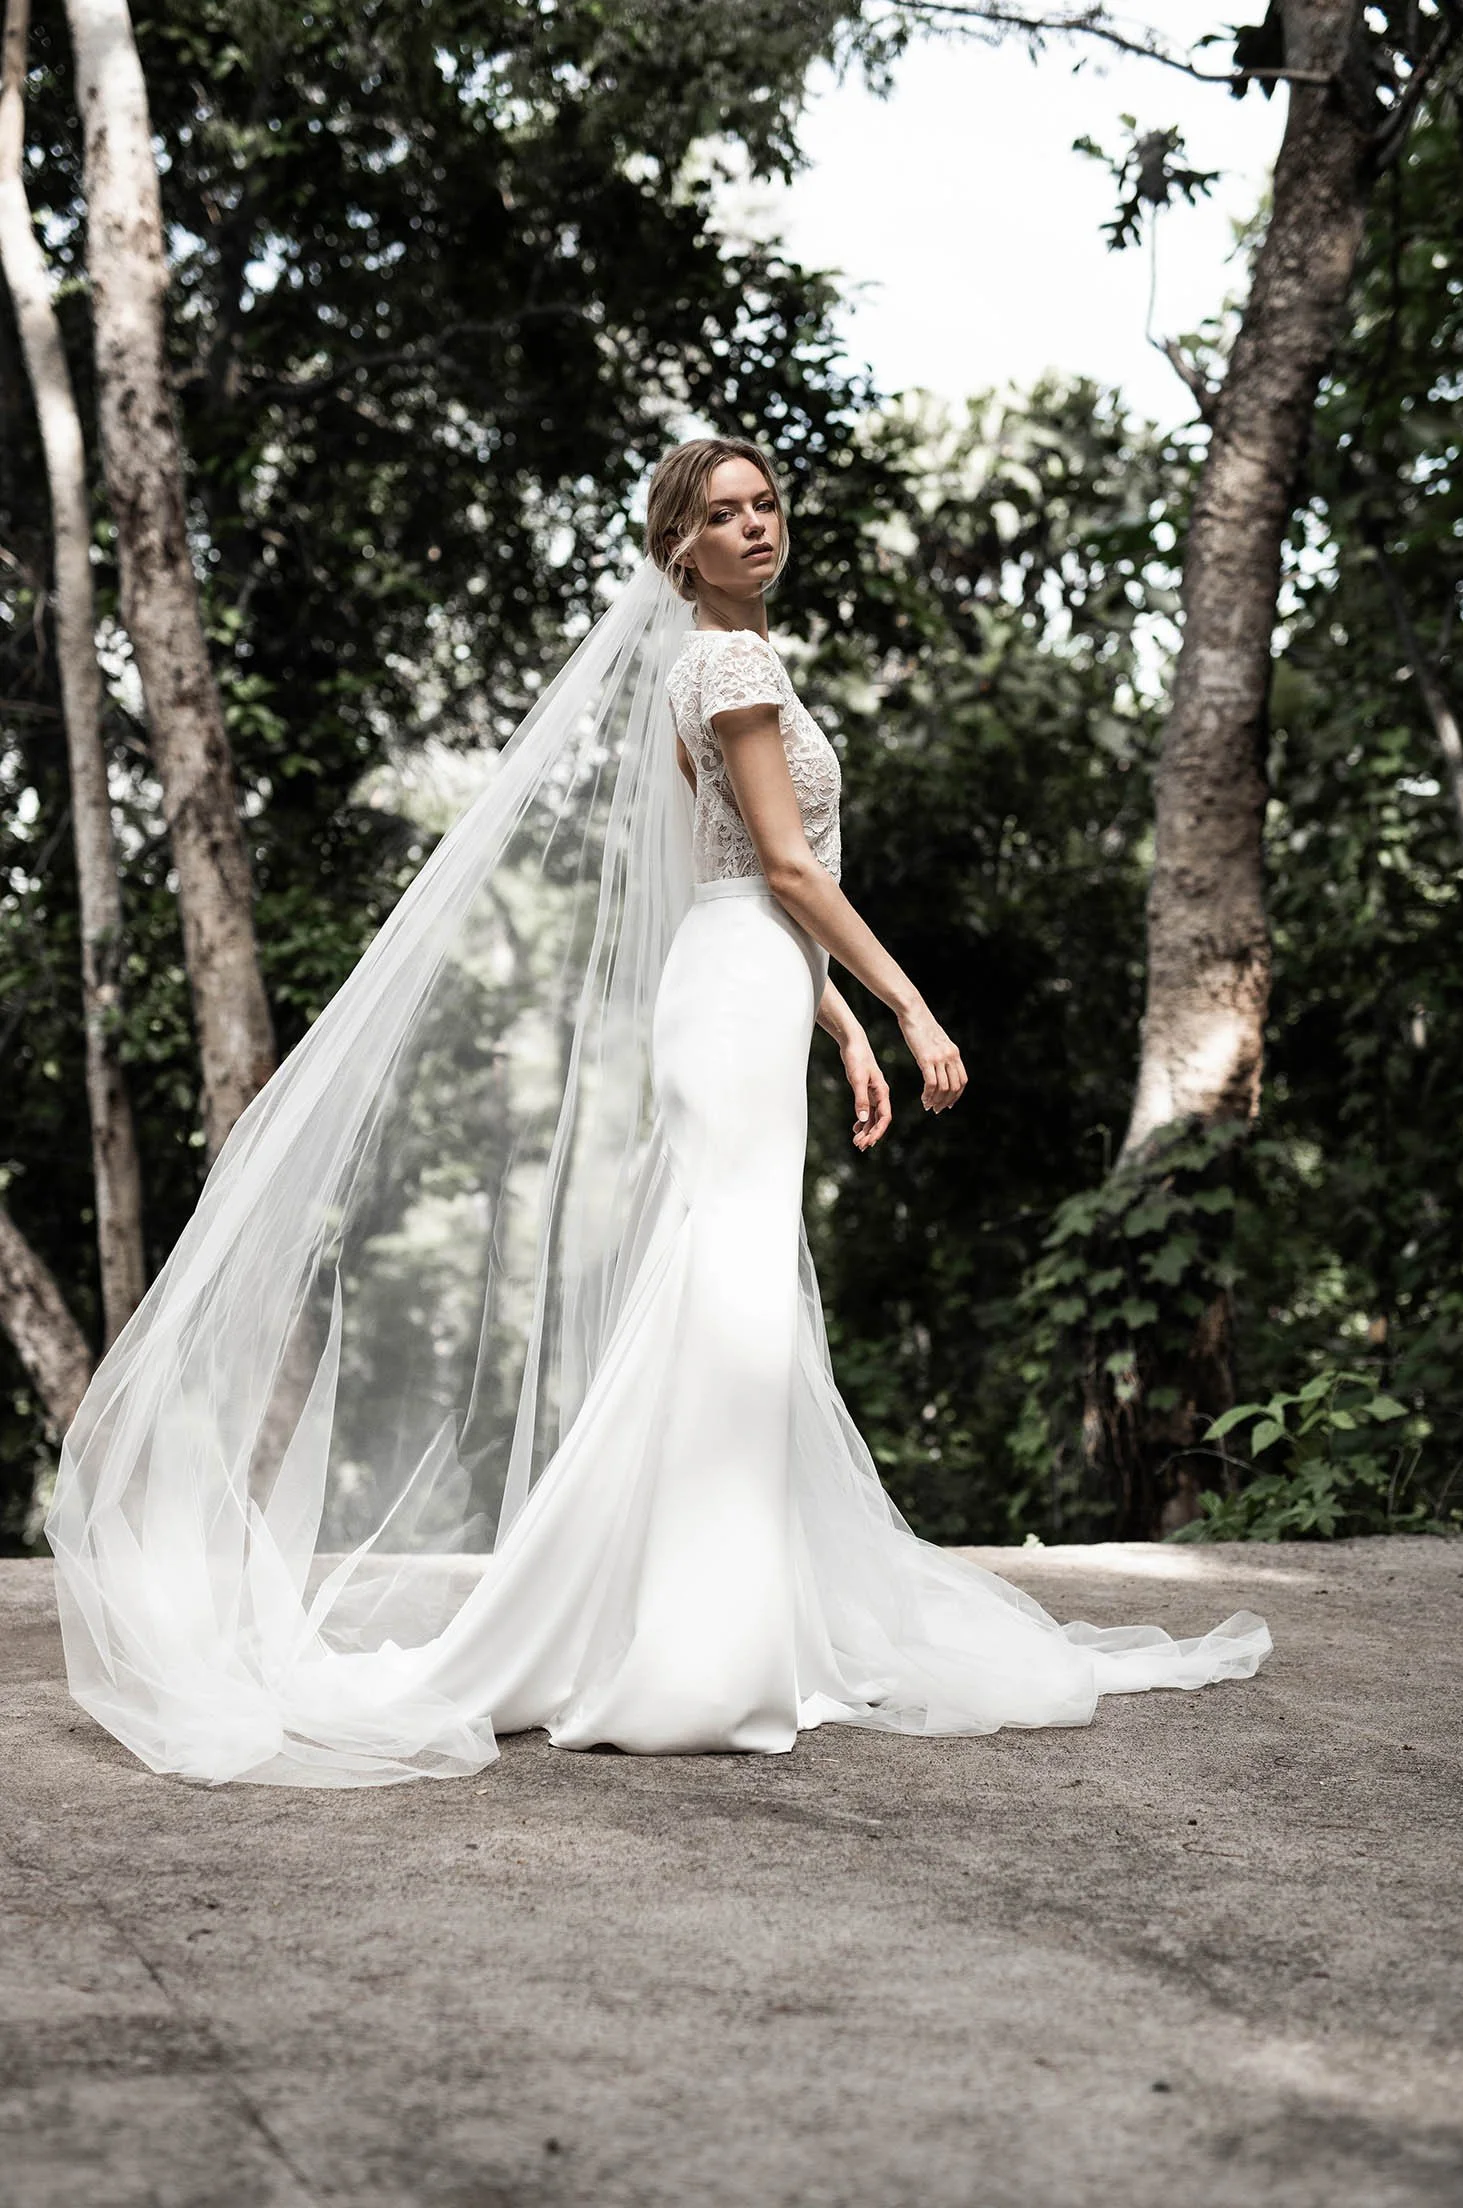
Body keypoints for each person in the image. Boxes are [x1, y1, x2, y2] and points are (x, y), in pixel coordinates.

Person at [46, 436, 1270, 1787]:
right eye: (723, 513)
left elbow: (736, 872)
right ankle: (696, 1646)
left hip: (746, 984)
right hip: (736, 994)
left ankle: (709, 1621)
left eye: (767, 503)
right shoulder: (729, 669)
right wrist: (911, 1009)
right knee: (727, 1300)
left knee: (725, 1297)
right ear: (679, 547)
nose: (756, 526)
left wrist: (839, 1025)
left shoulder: (724, 665)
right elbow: (787, 871)